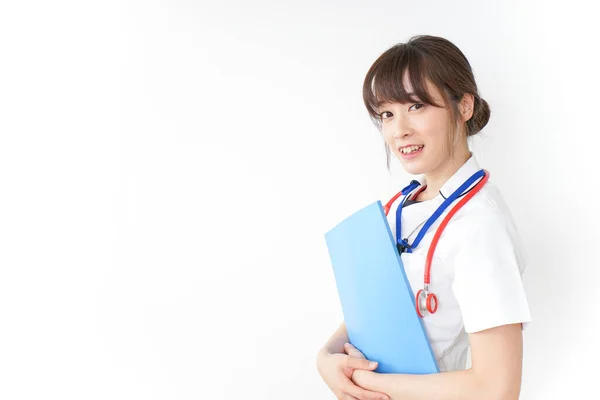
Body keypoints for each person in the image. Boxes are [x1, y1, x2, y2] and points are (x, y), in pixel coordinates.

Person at [316, 35, 532, 400]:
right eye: (386, 113)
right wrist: (327, 357)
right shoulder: (399, 208)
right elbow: (378, 310)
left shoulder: (479, 225)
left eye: (415, 106)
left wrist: (365, 384)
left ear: (464, 106)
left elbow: (498, 388)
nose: (399, 130)